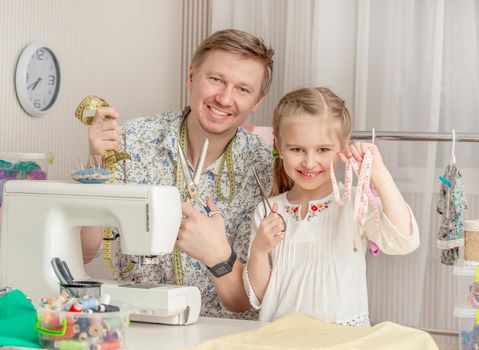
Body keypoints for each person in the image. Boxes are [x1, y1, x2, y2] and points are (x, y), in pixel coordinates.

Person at [81, 29, 275, 319]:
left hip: (224, 334)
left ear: (257, 101)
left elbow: (253, 297)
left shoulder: (266, 170)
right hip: (138, 322)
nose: (224, 98)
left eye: (243, 89)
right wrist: (97, 169)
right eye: (216, 79)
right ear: (192, 76)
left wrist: (217, 254)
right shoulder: (130, 141)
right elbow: (85, 253)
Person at [243, 87, 420, 326]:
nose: (309, 161)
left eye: (323, 150)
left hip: (341, 341)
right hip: (282, 339)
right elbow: (261, 296)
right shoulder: (267, 211)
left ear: (343, 145)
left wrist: (379, 173)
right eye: (296, 149)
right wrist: (259, 251)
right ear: (278, 145)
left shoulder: (354, 203)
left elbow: (404, 240)